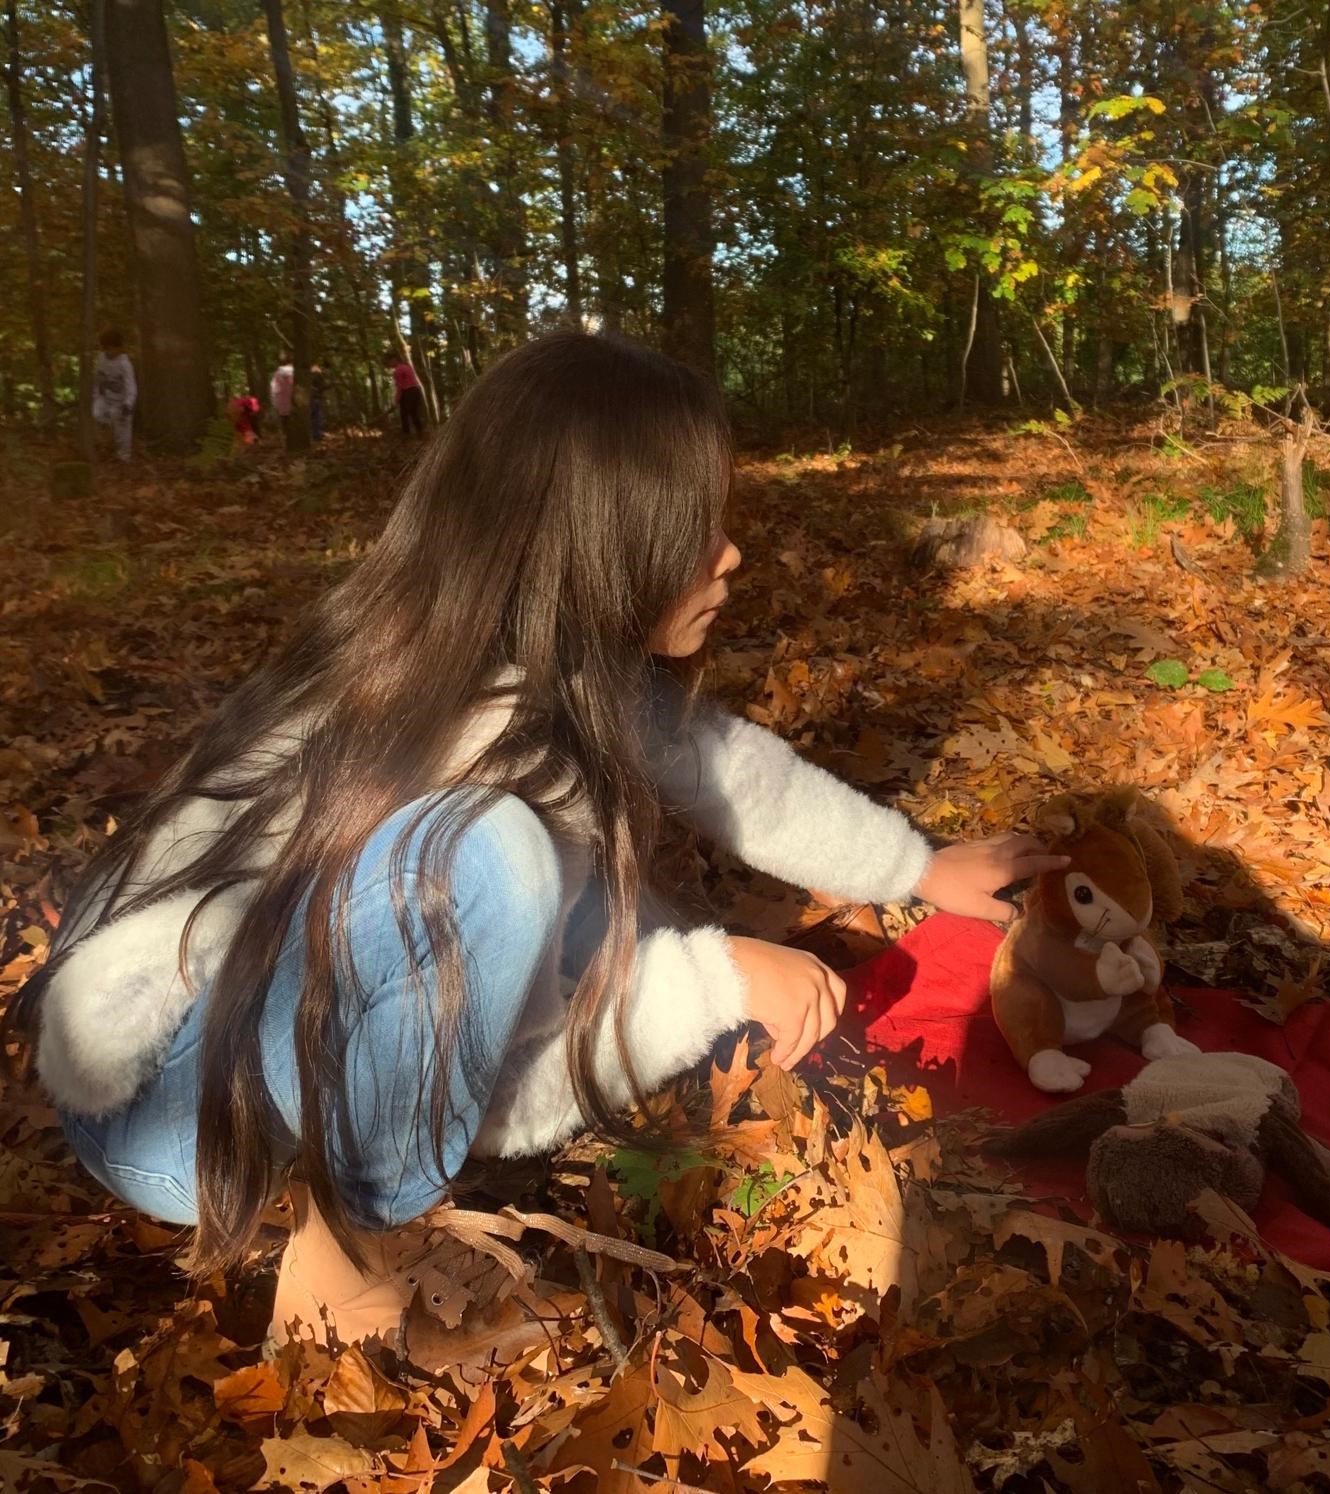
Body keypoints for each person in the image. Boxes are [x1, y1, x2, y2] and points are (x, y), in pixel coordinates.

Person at [13, 333, 1064, 1351]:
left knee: (565, 896)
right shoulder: (467, 746)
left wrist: (917, 866)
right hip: (172, 1113)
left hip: (233, 1050)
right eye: (696, 526)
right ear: (599, 543)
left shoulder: (511, 657)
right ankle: (346, 1263)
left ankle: (349, 1194)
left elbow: (730, 768)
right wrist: (716, 982)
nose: (732, 553)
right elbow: (490, 1095)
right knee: (502, 861)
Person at [92, 329, 137, 463]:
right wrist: (96, 396)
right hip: (105, 398)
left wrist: (128, 403)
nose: (110, 351)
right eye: (107, 348)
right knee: (96, 414)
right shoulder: (101, 359)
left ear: (119, 348)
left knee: (122, 428)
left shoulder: (125, 364)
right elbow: (97, 379)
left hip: (121, 403)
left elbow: (131, 386)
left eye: (112, 348)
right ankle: (104, 445)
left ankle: (123, 457)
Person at [388, 348, 424, 436]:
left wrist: (396, 400)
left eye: (390, 361)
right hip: (415, 391)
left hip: (408, 392)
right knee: (414, 413)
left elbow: (400, 386)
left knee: (404, 414)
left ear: (395, 360)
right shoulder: (407, 367)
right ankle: (420, 432)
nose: (389, 364)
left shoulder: (398, 371)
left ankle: (406, 434)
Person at [270, 357, 295, 429]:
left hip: (281, 402)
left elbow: (273, 388)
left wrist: (274, 401)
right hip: (293, 402)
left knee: (284, 422)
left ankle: (285, 434)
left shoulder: (278, 373)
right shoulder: (295, 371)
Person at [308, 364, 326, 442]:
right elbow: (323, 386)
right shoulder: (318, 375)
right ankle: (317, 435)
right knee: (317, 417)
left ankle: (314, 434)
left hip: (311, 399)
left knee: (313, 417)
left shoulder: (308, 376)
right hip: (316, 398)